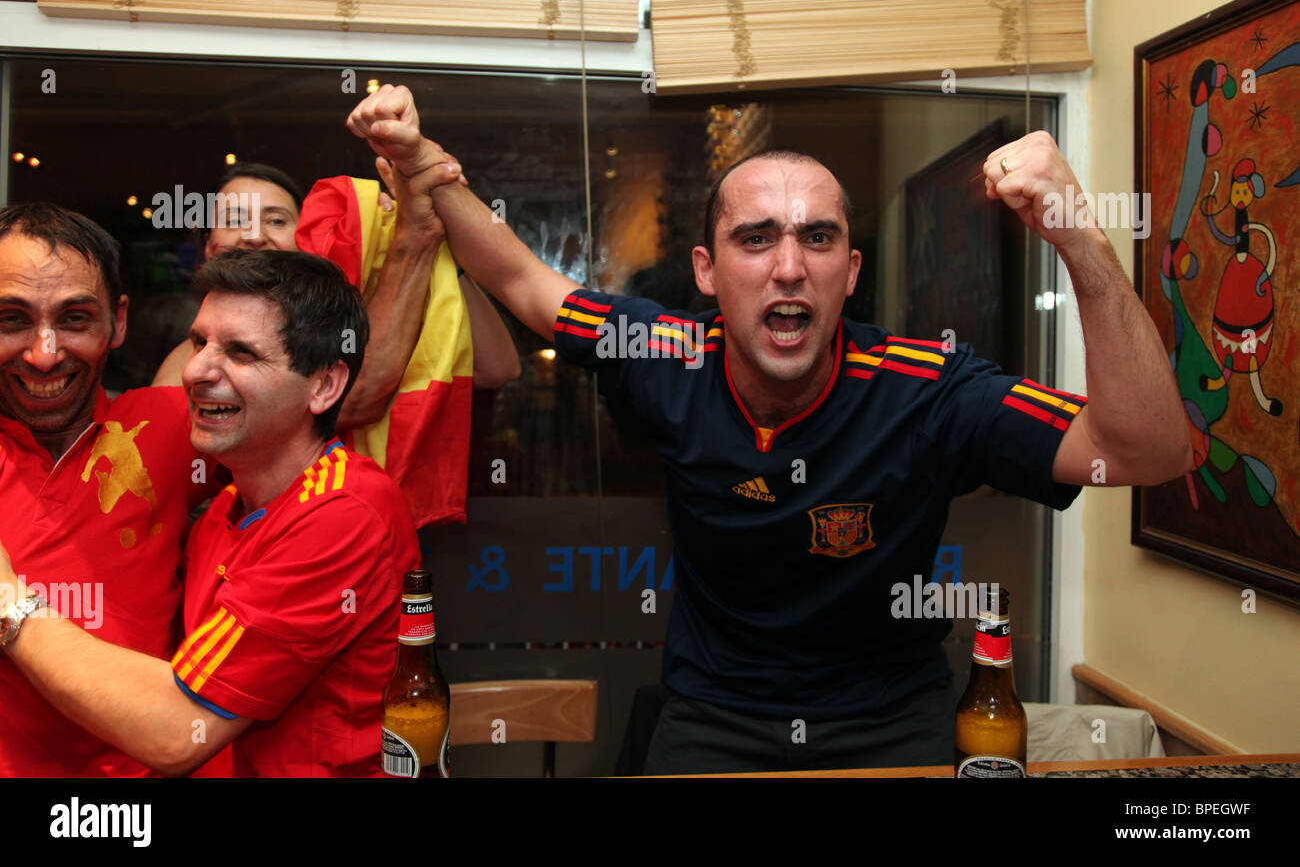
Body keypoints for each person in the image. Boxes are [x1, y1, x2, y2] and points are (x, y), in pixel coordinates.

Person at [345, 85, 1193, 774]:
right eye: (757, 239)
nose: (788, 265)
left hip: (894, 726)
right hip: (714, 721)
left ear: (848, 273)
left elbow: (1148, 450)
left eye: (816, 239)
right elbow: (526, 281)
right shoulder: (664, 354)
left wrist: (1078, 234)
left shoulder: (926, 387)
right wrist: (422, 166)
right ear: (708, 272)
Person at [0, 248, 421, 777]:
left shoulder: (343, 513)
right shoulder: (226, 505)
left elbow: (179, 730)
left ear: (324, 385)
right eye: (200, 342)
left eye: (241, 353)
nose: (195, 371)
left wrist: (9, 600)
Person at [0, 202, 219, 776]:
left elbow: (333, 390)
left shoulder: (175, 427)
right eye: (11, 319)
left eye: (74, 318)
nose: (44, 353)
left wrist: (417, 227)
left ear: (118, 322)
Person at [151, 160, 522, 398]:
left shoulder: (355, 326)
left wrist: (438, 258)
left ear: (307, 241)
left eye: (276, 220)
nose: (253, 235)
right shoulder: (191, 363)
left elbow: (497, 369)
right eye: (233, 221)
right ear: (209, 249)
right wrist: (413, 242)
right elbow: (356, 403)